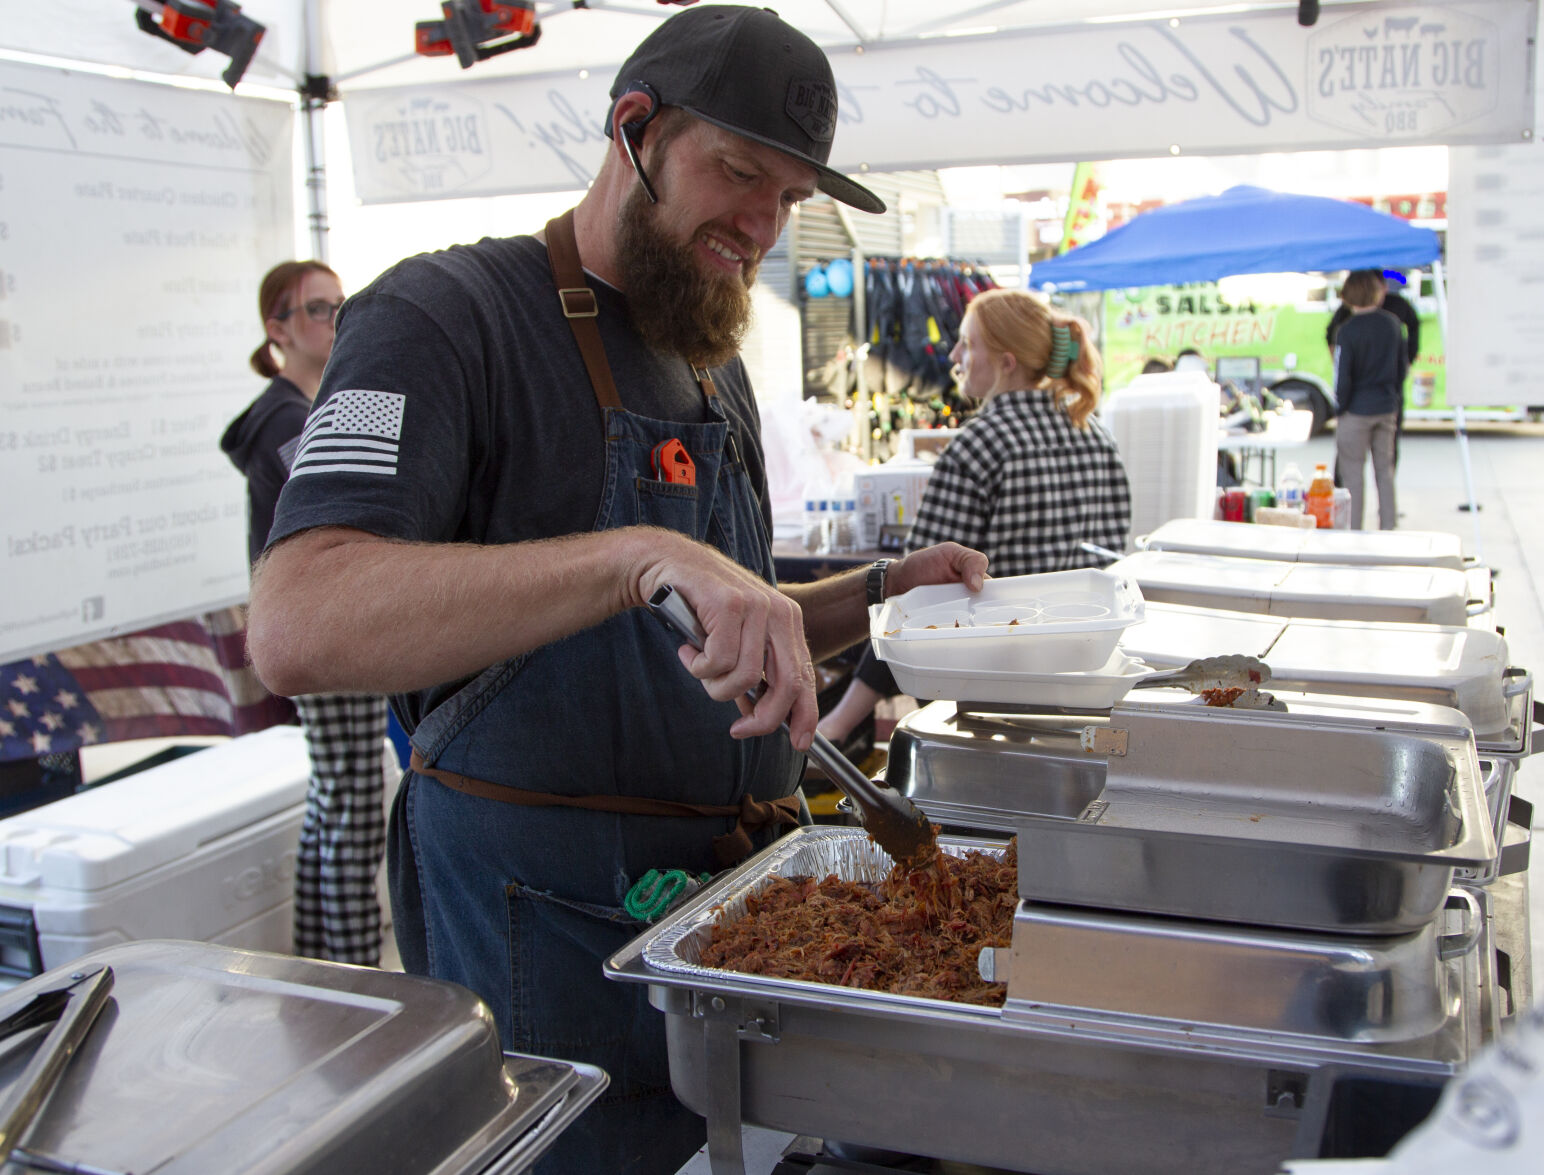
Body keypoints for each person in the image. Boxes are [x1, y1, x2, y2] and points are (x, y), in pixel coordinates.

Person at [244, 9, 987, 1173]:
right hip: (543, 943)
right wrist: (631, 551)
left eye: (787, 199)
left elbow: (721, 610)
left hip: (722, 930)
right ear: (633, 129)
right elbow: (295, 621)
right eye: (738, 174)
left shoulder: (707, 357)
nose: (760, 225)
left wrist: (882, 589)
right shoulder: (441, 318)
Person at [819, 290, 1131, 744]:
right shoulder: (1095, 434)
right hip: (1082, 679)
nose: (954, 355)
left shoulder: (979, 444)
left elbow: (914, 597)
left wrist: (839, 722)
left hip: (994, 687)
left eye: (968, 343)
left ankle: (836, 730)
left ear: (1006, 362)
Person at [220, 260, 388, 967]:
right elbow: (348, 488)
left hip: (317, 621)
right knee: (354, 802)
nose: (335, 318)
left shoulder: (298, 410)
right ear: (277, 328)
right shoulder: (289, 420)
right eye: (319, 309)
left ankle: (325, 959)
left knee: (336, 799)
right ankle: (353, 972)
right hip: (327, 624)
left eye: (339, 304)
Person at [1331, 268, 1408, 530]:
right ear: (1376, 293)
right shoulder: (1393, 324)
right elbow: (1402, 369)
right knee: (1385, 473)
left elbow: (1342, 376)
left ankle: (1354, 532)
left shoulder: (1346, 331)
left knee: (1353, 476)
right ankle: (1388, 528)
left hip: (1356, 411)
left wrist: (1340, 408)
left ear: (1348, 295)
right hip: (1386, 408)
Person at [1327, 268, 1420, 469]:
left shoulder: (1395, 311)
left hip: (1382, 398)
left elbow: (1414, 327)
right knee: (1352, 464)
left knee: (1379, 462)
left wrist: (1408, 360)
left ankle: (1351, 496)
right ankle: (1342, 493)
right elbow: (1330, 338)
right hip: (1367, 398)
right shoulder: (1351, 320)